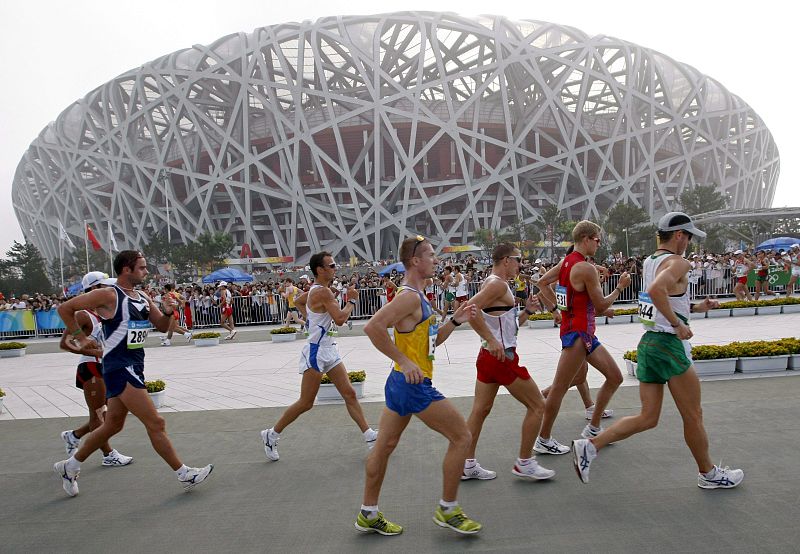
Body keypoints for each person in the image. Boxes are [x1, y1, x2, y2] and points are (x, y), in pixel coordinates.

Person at [573, 212, 744, 490]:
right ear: (679, 235)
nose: (689, 243)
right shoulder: (678, 261)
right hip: (668, 346)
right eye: (688, 237)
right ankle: (709, 474)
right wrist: (678, 325)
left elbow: (662, 301)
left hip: (649, 344)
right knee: (693, 415)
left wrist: (699, 308)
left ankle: (590, 446)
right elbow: (656, 291)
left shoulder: (650, 262)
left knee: (648, 417)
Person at [53, 250, 213, 497]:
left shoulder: (141, 296)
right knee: (156, 422)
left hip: (135, 365)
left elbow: (161, 325)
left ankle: (70, 465)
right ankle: (184, 474)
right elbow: (65, 309)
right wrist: (80, 339)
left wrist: (169, 311)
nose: (147, 272)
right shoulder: (108, 294)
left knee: (113, 425)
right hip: (119, 367)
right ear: (126, 269)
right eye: (142, 268)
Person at [356, 236, 482, 536]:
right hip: (412, 384)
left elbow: (429, 344)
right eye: (430, 255)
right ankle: (448, 509)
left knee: (384, 446)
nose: (435, 260)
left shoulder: (419, 296)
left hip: (400, 382)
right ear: (415, 261)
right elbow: (372, 327)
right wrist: (404, 359)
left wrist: (455, 321)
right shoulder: (409, 297)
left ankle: (368, 513)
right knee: (462, 437)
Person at [259, 252, 377, 460]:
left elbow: (298, 301)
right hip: (316, 352)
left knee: (349, 393)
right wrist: (352, 301)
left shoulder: (318, 291)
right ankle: (271, 434)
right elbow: (340, 319)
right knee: (306, 402)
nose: (335, 268)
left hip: (329, 349)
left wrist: (311, 320)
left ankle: (369, 436)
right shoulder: (322, 292)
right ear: (320, 270)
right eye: (331, 265)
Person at [533, 221, 630, 455]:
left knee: (615, 377)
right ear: (586, 238)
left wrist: (557, 310)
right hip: (577, 334)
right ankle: (543, 438)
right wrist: (619, 288)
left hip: (582, 332)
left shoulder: (567, 262)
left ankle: (594, 427)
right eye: (597, 239)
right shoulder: (584, 268)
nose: (599, 244)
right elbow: (600, 304)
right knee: (560, 388)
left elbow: (542, 283)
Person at [461, 243, 555, 482]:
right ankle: (525, 462)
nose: (520, 265)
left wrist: (528, 312)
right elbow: (469, 309)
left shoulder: (496, 284)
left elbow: (505, 326)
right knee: (538, 406)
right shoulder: (496, 284)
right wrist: (491, 339)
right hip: (502, 358)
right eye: (518, 259)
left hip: (490, 357)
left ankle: (466, 463)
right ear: (505, 260)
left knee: (480, 410)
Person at [58, 271, 132, 468]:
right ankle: (108, 454)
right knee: (98, 415)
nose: (109, 290)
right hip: (90, 367)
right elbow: (65, 343)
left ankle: (74, 435)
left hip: (105, 367)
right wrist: (95, 350)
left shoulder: (105, 313)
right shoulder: (83, 314)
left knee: (105, 415)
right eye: (104, 287)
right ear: (93, 290)